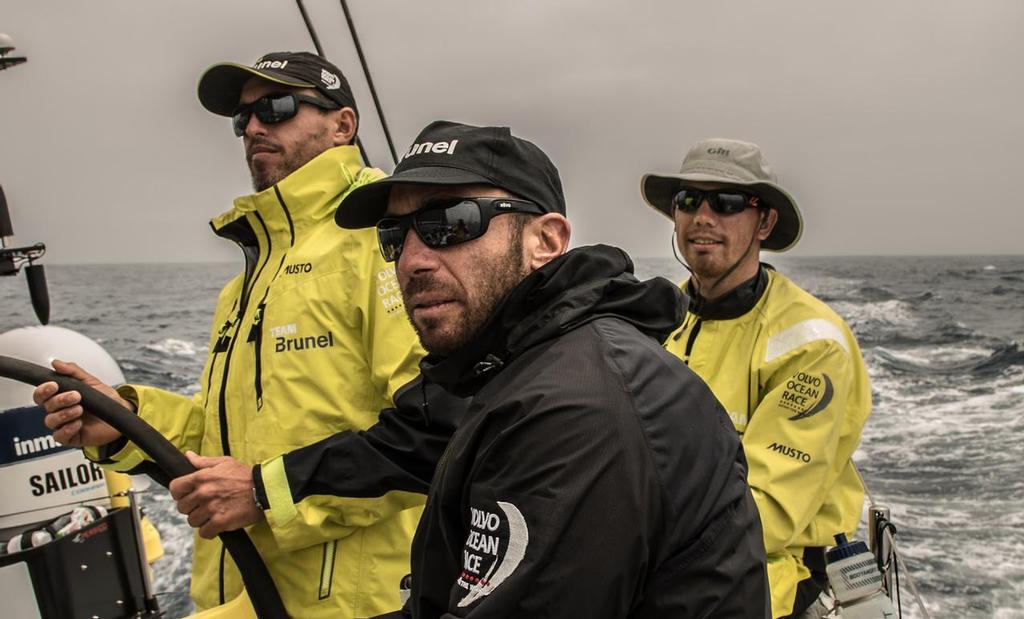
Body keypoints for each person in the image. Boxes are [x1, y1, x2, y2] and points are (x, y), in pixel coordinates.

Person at [32, 51, 438, 619]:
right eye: (241, 118)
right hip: (235, 593)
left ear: (343, 125)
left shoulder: (382, 241)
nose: (252, 127)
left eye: (274, 108)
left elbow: (433, 435)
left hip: (346, 603)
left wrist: (264, 490)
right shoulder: (252, 276)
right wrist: (122, 420)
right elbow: (223, 442)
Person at [335, 120, 770, 618]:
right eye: (394, 235)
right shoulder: (524, 371)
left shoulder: (573, 411)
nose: (412, 259)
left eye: (450, 222)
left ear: (546, 240)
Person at [640, 138, 873, 618]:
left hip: (766, 581)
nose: (703, 216)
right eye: (688, 201)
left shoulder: (814, 344)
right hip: (652, 566)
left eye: (726, 202)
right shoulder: (649, 323)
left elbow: (766, 513)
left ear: (764, 222)